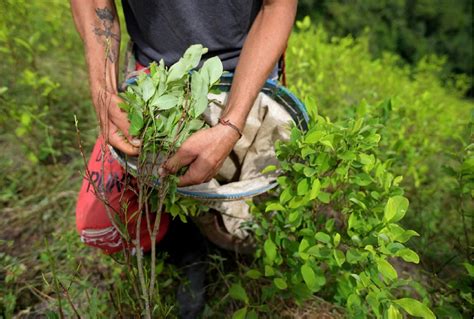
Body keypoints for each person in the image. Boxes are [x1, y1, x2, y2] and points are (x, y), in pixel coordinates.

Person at [71, 0, 297, 317]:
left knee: (248, 229)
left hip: (244, 74)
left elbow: (277, 7)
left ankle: (216, 238)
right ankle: (184, 245)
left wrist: (231, 125)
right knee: (102, 224)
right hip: (155, 75)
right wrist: (104, 91)